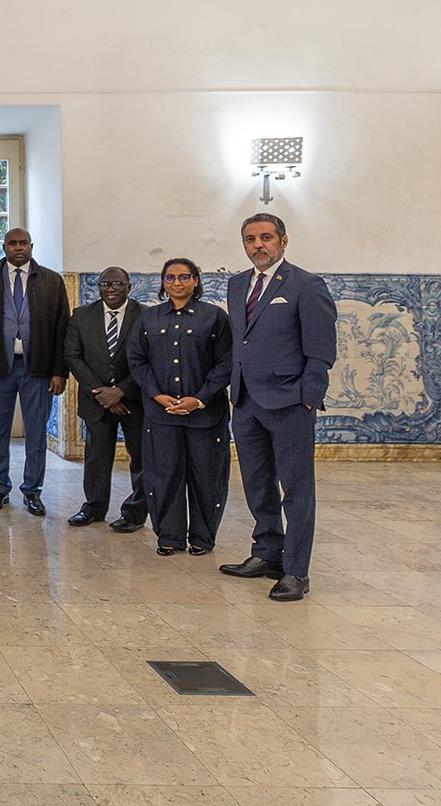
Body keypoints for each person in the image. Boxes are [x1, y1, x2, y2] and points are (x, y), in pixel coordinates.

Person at [220, 213, 337, 601]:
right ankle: (267, 552)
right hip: (246, 402)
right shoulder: (238, 285)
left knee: (296, 489)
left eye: (266, 237)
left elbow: (321, 350)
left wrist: (308, 397)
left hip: (289, 402)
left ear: (283, 241)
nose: (258, 245)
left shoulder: (306, 285)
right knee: (256, 484)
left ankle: (296, 571)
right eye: (251, 239)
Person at [128, 258, 233, 557]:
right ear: (162, 282)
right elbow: (137, 359)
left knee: (206, 476)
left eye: (184, 277)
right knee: (164, 475)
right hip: (161, 414)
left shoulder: (214, 317)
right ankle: (169, 536)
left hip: (205, 415)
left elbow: (226, 362)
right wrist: (155, 394)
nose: (177, 283)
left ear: (196, 280)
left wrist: (200, 398)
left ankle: (202, 536)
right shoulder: (149, 318)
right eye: (170, 277)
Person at [0, 228, 70, 516]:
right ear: (3, 247)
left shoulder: (51, 281)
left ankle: (32, 491)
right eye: (12, 243)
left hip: (37, 368)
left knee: (36, 432)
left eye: (23, 243)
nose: (18, 248)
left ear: (31, 246)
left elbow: (61, 327)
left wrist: (59, 371)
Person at [63, 266, 146, 531]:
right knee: (97, 457)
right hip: (96, 401)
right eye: (104, 284)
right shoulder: (82, 316)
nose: (110, 289)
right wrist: (101, 392)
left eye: (117, 284)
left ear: (129, 286)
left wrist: (122, 391)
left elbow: (149, 358)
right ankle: (94, 507)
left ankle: (135, 512)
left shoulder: (145, 316)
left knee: (140, 457)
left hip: (134, 401)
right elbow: (73, 356)